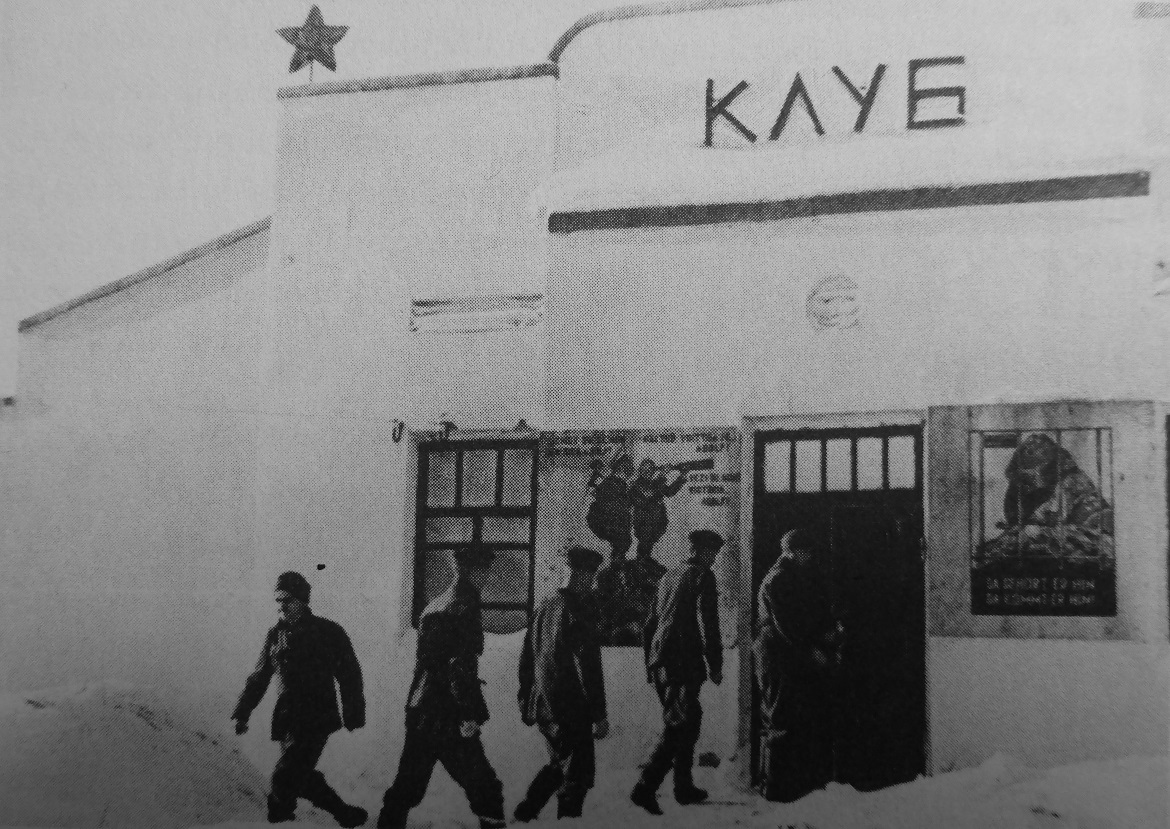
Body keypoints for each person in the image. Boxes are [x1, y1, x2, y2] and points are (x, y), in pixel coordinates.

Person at [376, 544, 505, 829]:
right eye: (483, 571)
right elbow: (458, 666)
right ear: (470, 571)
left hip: (422, 711)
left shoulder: (436, 603)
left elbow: (430, 663)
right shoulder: (464, 605)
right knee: (485, 787)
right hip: (448, 714)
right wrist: (468, 713)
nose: (486, 577)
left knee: (407, 787)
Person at [233, 571, 368, 827]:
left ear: (303, 601)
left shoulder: (328, 632)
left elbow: (349, 673)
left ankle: (279, 819)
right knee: (301, 776)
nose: (281, 606)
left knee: (284, 778)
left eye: (287, 600)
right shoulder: (275, 635)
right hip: (287, 721)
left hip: (316, 718)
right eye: (278, 600)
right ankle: (345, 814)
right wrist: (243, 712)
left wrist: (353, 712)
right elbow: (260, 676)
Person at [630, 529, 724, 815]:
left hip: (662, 661)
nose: (713, 558)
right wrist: (715, 664)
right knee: (679, 724)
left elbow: (650, 623)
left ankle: (683, 786)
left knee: (689, 720)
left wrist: (650, 665)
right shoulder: (702, 576)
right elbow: (708, 622)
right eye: (711, 553)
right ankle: (645, 788)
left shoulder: (669, 576)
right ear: (701, 551)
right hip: (683, 662)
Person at [515, 546, 609, 821]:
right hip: (570, 706)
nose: (590, 583)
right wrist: (599, 714)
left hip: (544, 704)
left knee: (559, 762)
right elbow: (589, 666)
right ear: (584, 575)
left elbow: (527, 658)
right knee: (577, 776)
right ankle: (566, 821)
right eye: (590, 576)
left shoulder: (545, 605)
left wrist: (526, 701)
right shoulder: (578, 610)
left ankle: (525, 812)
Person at [752, 529, 842, 803]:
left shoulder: (790, 576)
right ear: (792, 552)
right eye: (805, 552)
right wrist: (813, 651)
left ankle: (781, 783)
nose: (809, 557)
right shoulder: (779, 579)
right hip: (776, 655)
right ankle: (775, 788)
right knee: (779, 717)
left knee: (785, 715)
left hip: (782, 653)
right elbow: (787, 626)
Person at [979, 432, 1114, 563]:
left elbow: (1106, 543)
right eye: (1021, 482)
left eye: (1029, 481)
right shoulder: (1022, 493)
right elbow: (1020, 528)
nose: (1024, 489)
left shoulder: (1077, 489)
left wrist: (1039, 535)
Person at [629, 460, 687, 564]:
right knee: (644, 542)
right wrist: (662, 475)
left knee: (650, 543)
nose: (648, 471)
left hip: (658, 520)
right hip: (644, 522)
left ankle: (645, 560)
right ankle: (640, 562)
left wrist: (682, 476)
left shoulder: (655, 483)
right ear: (640, 470)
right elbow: (648, 497)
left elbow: (669, 492)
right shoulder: (637, 484)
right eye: (645, 469)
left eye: (651, 469)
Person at [586, 454, 634, 566]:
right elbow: (619, 504)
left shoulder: (614, 482)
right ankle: (617, 562)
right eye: (627, 472)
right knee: (622, 542)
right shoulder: (614, 483)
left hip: (609, 523)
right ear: (621, 470)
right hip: (609, 523)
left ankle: (617, 561)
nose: (628, 476)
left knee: (622, 543)